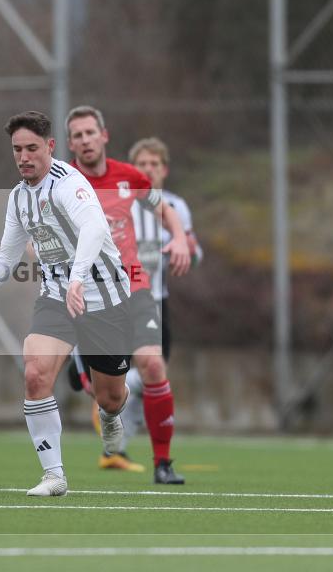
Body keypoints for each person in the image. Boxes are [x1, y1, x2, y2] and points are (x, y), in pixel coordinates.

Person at [0, 111, 188, 497]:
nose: (24, 157)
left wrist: (78, 276)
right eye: (17, 149)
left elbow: (94, 227)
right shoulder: (19, 197)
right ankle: (54, 476)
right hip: (56, 297)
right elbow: (5, 260)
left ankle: (109, 414)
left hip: (105, 297)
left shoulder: (70, 184)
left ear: (50, 148)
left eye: (32, 148)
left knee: (112, 396)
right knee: (35, 372)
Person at [65, 107, 191, 484]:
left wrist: (181, 237)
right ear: (70, 144)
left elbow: (163, 208)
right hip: (90, 296)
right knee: (110, 399)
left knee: (153, 366)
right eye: (78, 135)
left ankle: (163, 463)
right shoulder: (62, 182)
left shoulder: (128, 176)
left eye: (91, 132)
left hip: (135, 288)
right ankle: (86, 377)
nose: (85, 140)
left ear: (104, 135)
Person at [121, 136, 203, 473]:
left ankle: (120, 446)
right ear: (131, 169)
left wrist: (187, 253)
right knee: (145, 374)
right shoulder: (120, 204)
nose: (149, 170)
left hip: (157, 301)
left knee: (149, 376)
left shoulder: (176, 207)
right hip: (118, 304)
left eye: (155, 164)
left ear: (164, 170)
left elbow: (194, 252)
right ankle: (137, 455)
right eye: (142, 164)